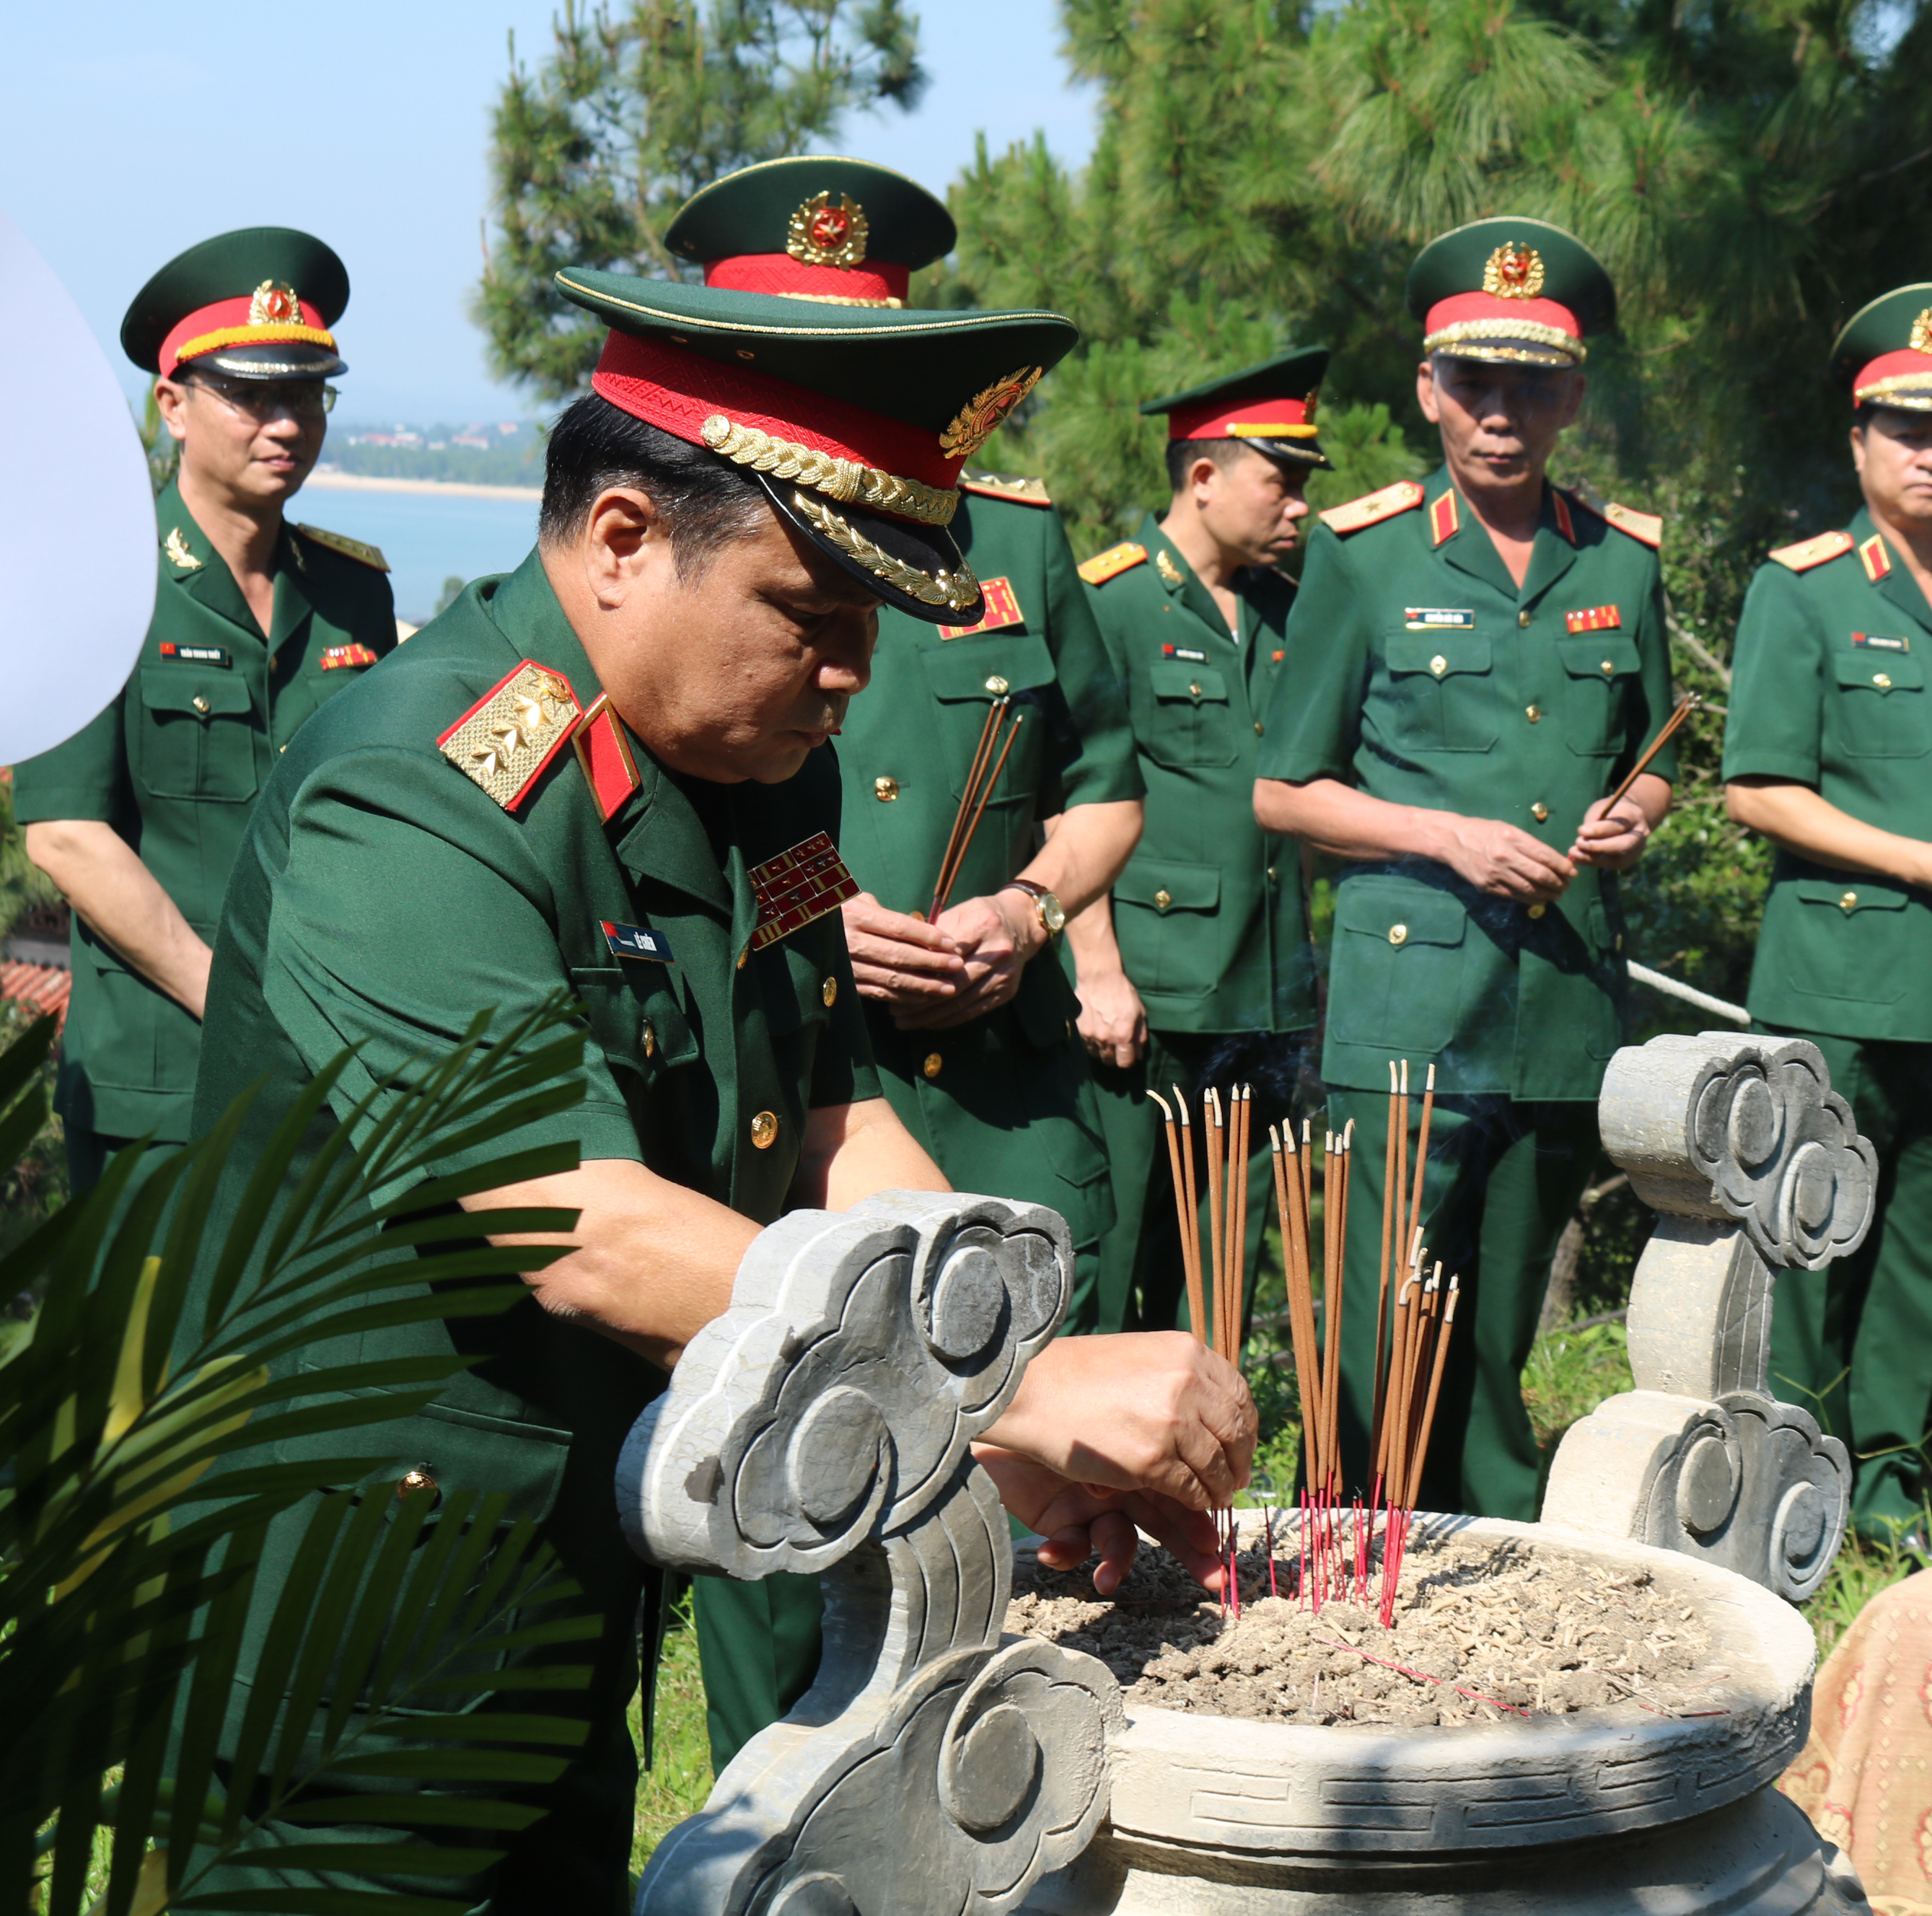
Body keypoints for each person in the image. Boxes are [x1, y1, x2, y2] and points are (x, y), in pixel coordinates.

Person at [180, 245, 1251, 1911]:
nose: (847, 679)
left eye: (868, 633)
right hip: (360, 1597)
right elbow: (569, 1215)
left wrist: (1001, 1383)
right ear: (620, 540)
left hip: (574, 1548)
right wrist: (1000, 1391)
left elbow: (826, 1118)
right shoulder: (418, 788)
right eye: (806, 619)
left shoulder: (755, 781)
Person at [646, 158, 1146, 1765]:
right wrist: (821, 917)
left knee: (974, 1570)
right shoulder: (639, 609)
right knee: (778, 1528)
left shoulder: (1014, 546)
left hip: (969, 1107)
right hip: (772, 1135)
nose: (849, 663)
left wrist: (1035, 912)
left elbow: (1108, 789)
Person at [1256, 217, 1676, 1519]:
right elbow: (1282, 789)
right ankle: (1356, 1535)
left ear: (1574, 396)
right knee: (1382, 1301)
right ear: (1428, 388)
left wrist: (1636, 810)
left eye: (1533, 385)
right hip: (1407, 995)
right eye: (1475, 384)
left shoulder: (1621, 557)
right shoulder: (1362, 553)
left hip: (1560, 992)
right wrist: (1446, 835)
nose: (1503, 413)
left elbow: (1656, 749)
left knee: (1503, 1307)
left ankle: (1493, 1540)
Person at [1718, 283, 1932, 1553]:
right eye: (1905, 427)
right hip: (1839, 972)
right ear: (1857, 443)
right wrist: (1931, 861)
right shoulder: (1800, 590)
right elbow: (1758, 788)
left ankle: (1893, 1483)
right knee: (1809, 1241)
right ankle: (1787, 1476)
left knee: (1926, 1244)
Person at [17, 227, 395, 1190]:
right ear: (174, 405)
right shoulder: (97, 582)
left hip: (332, 1090)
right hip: (163, 1096)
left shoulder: (354, 594)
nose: (285, 423)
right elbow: (65, 835)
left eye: (306, 393)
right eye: (252, 394)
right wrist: (231, 1001)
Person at [1079, 348, 1328, 1337]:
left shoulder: (1287, 611)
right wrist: (1097, 970)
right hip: (1150, 998)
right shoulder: (1113, 601)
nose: (1300, 507)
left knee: (1221, 1290)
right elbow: (1072, 800)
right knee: (1114, 1268)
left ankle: (1195, 1492)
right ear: (1203, 478)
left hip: (1264, 995)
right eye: (1283, 480)